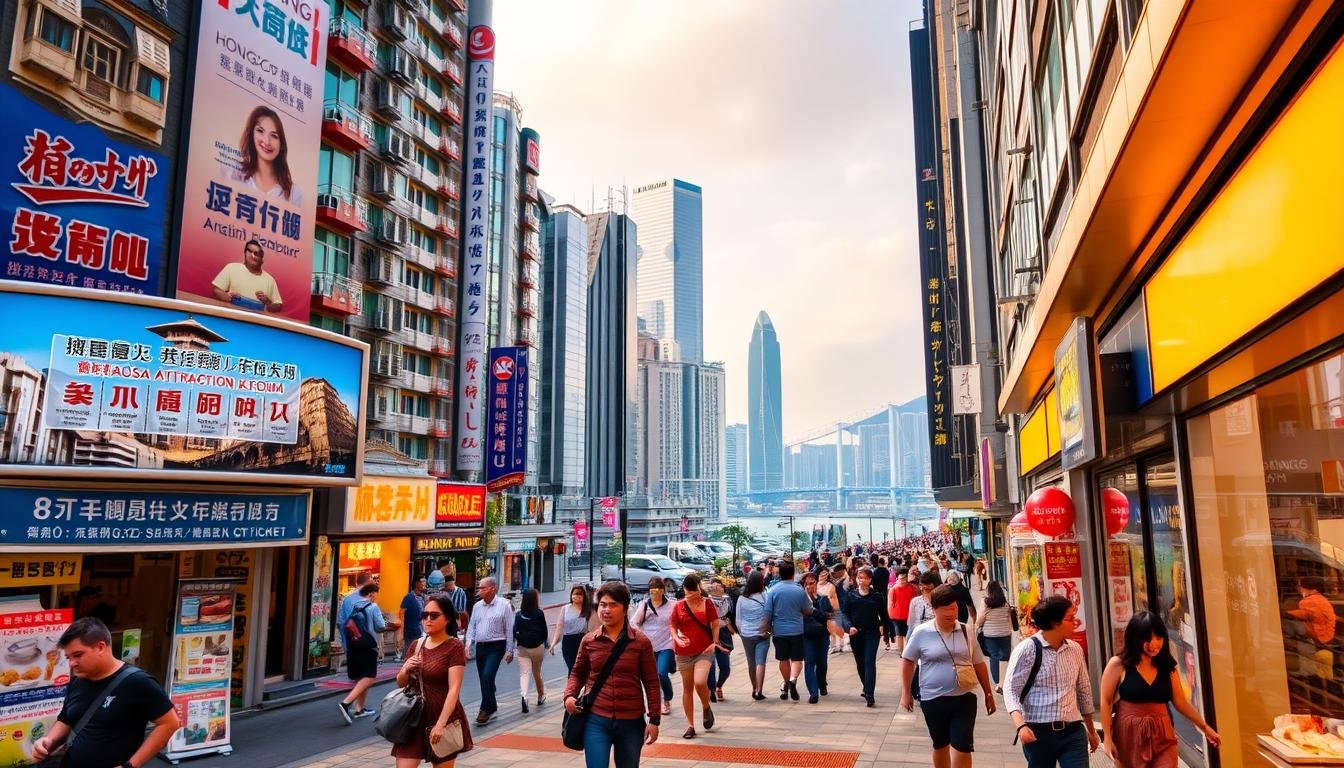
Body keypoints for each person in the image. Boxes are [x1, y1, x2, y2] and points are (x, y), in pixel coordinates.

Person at [31, 617, 179, 768]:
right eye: (69, 657)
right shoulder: (78, 681)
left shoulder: (137, 682)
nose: (71, 663)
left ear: (101, 647)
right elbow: (66, 719)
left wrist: (130, 765)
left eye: (78, 655)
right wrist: (48, 740)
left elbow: (170, 723)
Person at [1099, 611, 1219, 767]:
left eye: (1159, 638)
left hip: (1163, 735)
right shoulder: (1119, 664)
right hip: (1129, 735)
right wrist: (1107, 738)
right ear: (1135, 639)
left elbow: (1181, 703)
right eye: (1147, 639)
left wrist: (1205, 728)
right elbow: (1106, 701)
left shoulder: (1168, 667)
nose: (1154, 644)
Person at [564, 581, 661, 768]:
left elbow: (651, 682)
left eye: (613, 605)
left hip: (631, 722)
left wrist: (654, 719)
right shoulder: (589, 641)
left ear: (625, 608)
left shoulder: (641, 642)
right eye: (602, 605)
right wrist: (569, 696)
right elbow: (577, 673)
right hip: (596, 718)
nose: (606, 610)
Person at [901, 585, 996, 768]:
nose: (951, 613)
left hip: (964, 698)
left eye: (954, 608)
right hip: (933, 698)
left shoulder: (966, 630)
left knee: (963, 745)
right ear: (934, 609)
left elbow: (978, 662)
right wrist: (906, 693)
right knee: (940, 744)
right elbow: (907, 661)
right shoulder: (922, 632)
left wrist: (989, 694)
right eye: (945, 608)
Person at [1003, 596, 1100, 767]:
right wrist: (1021, 726)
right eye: (1070, 618)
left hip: (1073, 731)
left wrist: (1091, 731)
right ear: (1055, 623)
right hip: (1038, 732)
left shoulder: (1075, 649)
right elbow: (1011, 690)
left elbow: (1083, 690)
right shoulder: (1027, 650)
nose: (1075, 622)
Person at [392, 593, 472, 766]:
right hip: (413, 717)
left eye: (434, 615)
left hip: (441, 715)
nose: (427, 619)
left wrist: (441, 724)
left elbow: (454, 689)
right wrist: (405, 669)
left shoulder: (454, 647)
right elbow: (401, 683)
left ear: (448, 618)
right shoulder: (416, 645)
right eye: (424, 615)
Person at [669, 573, 722, 738]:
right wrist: (677, 637)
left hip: (704, 650)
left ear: (700, 588)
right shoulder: (678, 606)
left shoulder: (708, 603)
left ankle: (706, 706)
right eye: (687, 591)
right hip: (683, 652)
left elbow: (715, 624)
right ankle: (690, 725)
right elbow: (672, 627)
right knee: (687, 688)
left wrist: (714, 642)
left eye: (693, 591)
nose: (690, 594)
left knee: (700, 682)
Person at [463, 576, 514, 724]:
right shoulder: (477, 606)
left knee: (487, 676)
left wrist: (510, 650)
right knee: (484, 678)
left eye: (483, 588)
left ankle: (484, 709)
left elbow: (509, 628)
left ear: (493, 588)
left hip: (496, 646)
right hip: (480, 646)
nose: (480, 590)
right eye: (479, 588)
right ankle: (492, 705)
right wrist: (467, 644)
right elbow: (472, 625)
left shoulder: (504, 605)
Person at [763, 560, 813, 700]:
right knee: (797, 659)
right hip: (797, 630)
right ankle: (793, 680)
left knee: (783, 659)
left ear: (780, 575)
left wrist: (766, 627)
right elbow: (808, 610)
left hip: (779, 631)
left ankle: (786, 682)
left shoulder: (773, 591)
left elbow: (767, 612)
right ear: (792, 574)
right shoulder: (799, 590)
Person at [233, 105, 302, 204]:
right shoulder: (235, 174)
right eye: (260, 131)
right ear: (251, 134)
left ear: (281, 144)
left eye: (274, 136)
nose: (267, 141)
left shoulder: (293, 193)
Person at [339, 581, 386, 723]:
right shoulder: (373, 607)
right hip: (368, 645)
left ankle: (360, 709)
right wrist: (386, 624)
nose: (377, 597)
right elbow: (380, 626)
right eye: (376, 594)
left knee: (362, 677)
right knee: (370, 677)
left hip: (354, 645)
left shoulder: (354, 606)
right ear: (371, 593)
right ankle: (346, 703)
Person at [632, 577, 675, 715]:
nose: (654, 594)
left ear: (662, 591)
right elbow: (634, 623)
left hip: (667, 643)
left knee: (661, 673)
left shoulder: (672, 605)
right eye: (651, 591)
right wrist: (642, 636)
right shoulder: (644, 605)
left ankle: (667, 697)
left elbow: (677, 622)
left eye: (657, 591)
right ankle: (662, 700)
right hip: (648, 646)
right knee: (652, 677)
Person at [842, 566, 884, 707]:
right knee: (860, 663)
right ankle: (866, 687)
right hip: (856, 634)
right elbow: (844, 614)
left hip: (872, 633)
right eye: (860, 578)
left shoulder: (877, 596)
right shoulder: (851, 595)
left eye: (865, 578)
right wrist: (849, 627)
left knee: (869, 662)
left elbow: (884, 616)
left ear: (870, 580)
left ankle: (870, 694)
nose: (862, 580)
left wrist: (886, 632)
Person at [1287, 574, 1338, 684]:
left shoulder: (1307, 601)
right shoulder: (1324, 601)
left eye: (1301, 586)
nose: (1299, 589)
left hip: (1315, 645)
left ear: (1311, 588)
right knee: (1326, 679)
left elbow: (1308, 614)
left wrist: (1284, 614)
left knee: (1314, 678)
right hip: (1327, 645)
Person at [211, 239, 282, 313]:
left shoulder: (270, 280)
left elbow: (278, 306)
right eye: (250, 251)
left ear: (262, 259)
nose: (253, 255)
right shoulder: (232, 267)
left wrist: (268, 302)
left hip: (256, 322)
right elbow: (216, 290)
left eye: (257, 253)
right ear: (245, 253)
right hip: (231, 317)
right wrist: (228, 297)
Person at [735, 570, 771, 700]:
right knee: (760, 662)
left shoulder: (741, 598)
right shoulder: (765, 596)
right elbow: (769, 614)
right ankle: (759, 691)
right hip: (762, 634)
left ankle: (753, 688)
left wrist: (742, 632)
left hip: (747, 634)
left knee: (751, 663)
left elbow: (738, 620)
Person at [512, 588, 549, 713]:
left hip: (523, 648)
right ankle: (540, 696)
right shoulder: (539, 613)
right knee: (536, 672)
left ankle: (524, 697)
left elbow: (514, 631)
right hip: (537, 647)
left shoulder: (518, 614)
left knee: (524, 673)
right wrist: (544, 642)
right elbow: (544, 631)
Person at [975, 581, 1015, 692]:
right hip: (1005, 633)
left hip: (990, 634)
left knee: (994, 657)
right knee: (1005, 657)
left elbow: (981, 617)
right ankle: (1005, 681)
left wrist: (976, 626)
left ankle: (998, 683)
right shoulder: (1005, 603)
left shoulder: (985, 602)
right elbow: (1009, 618)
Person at [801, 571, 832, 703]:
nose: (809, 586)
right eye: (806, 584)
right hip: (806, 635)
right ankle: (813, 692)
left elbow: (828, 615)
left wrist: (814, 609)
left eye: (812, 583)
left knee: (822, 662)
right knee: (809, 662)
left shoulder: (822, 598)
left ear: (816, 583)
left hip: (822, 634)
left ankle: (822, 683)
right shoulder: (800, 601)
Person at [552, 584, 597, 673]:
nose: (577, 596)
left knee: (582, 668)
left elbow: (594, 626)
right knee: (572, 668)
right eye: (574, 594)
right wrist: (554, 643)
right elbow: (559, 626)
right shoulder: (565, 608)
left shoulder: (588, 609)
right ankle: (573, 686)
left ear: (584, 596)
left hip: (583, 640)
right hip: (568, 641)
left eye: (580, 594)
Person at [705, 579, 735, 702]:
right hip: (709, 635)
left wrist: (729, 625)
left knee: (725, 667)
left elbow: (729, 616)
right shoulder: (707, 601)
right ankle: (711, 690)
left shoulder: (727, 600)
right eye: (714, 586)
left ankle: (719, 685)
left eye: (720, 586)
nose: (717, 588)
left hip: (724, 634)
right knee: (710, 666)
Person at [890, 570, 918, 654]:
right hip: (897, 614)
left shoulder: (912, 588)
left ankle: (906, 651)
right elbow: (891, 602)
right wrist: (891, 614)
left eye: (904, 579)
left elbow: (915, 599)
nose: (902, 581)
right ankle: (901, 652)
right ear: (897, 579)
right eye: (900, 579)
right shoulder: (894, 589)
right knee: (899, 634)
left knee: (907, 634)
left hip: (908, 614)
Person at [400, 577, 428, 658]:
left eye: (425, 581)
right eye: (422, 581)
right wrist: (401, 629)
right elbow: (401, 612)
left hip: (422, 630)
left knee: (421, 654)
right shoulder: (409, 597)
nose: (425, 583)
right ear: (416, 584)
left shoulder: (424, 597)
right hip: (411, 630)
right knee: (410, 653)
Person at [871, 556, 894, 650]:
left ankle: (885, 637)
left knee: (880, 617)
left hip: (877, 595)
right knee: (886, 617)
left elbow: (874, 584)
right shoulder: (886, 571)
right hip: (885, 594)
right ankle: (891, 636)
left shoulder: (875, 572)